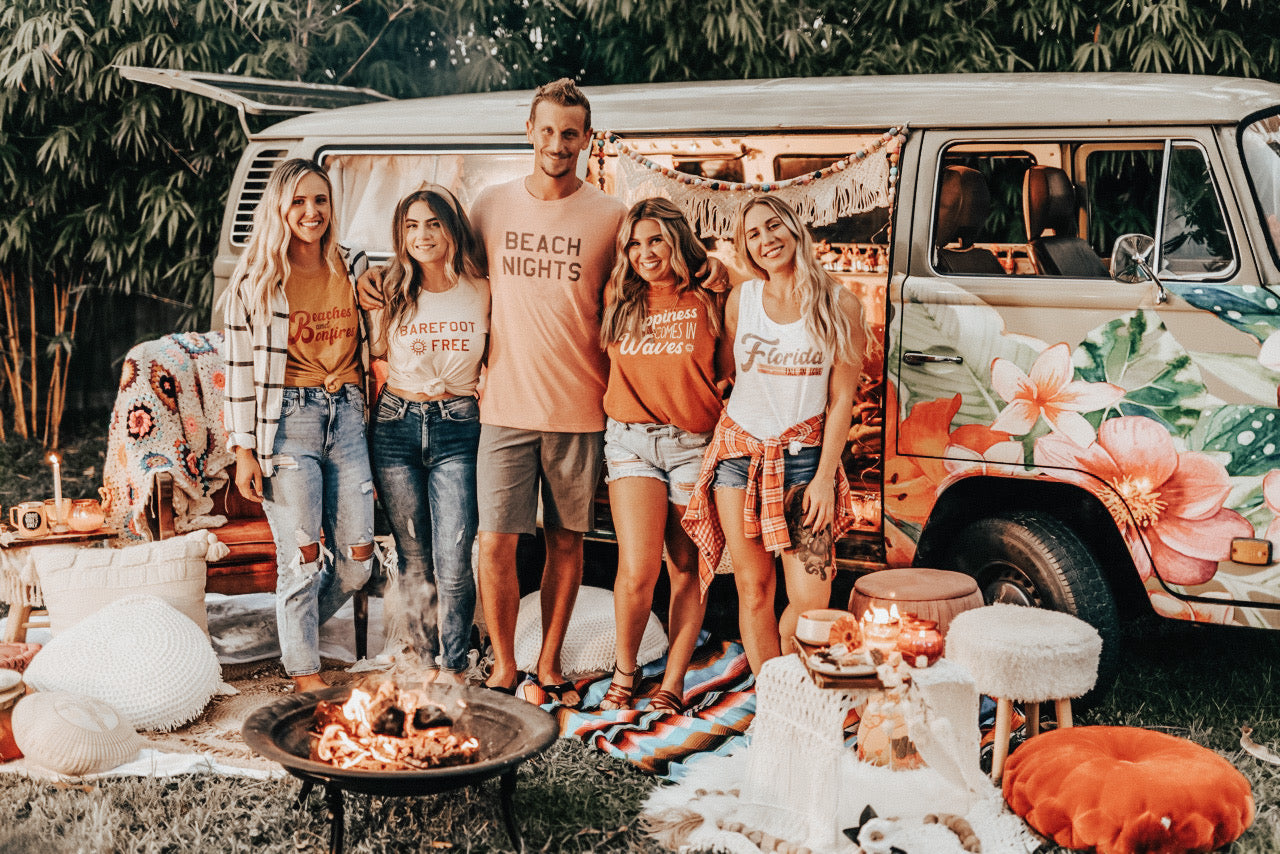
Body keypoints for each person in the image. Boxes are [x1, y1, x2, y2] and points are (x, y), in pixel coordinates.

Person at [358, 79, 628, 706]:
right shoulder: (490, 205)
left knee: (567, 542)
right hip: (499, 408)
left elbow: (644, 281)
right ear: (529, 132)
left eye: (571, 133)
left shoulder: (610, 216)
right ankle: (504, 665)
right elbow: (438, 264)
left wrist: (716, 272)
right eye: (548, 130)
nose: (558, 144)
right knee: (495, 544)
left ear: (587, 139)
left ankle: (551, 662)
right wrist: (379, 277)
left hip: (581, 408)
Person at [683, 195, 866, 674]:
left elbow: (841, 399)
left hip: (805, 465)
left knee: (811, 601)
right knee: (753, 589)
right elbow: (726, 373)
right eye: (753, 235)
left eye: (773, 226)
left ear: (794, 227)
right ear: (745, 247)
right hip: (739, 460)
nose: (766, 240)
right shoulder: (742, 301)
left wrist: (827, 476)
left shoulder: (840, 303)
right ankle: (771, 694)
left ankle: (794, 677)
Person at [224, 158, 375, 693]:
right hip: (288, 425)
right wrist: (244, 451)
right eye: (299, 202)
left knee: (359, 561)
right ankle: (304, 671)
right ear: (280, 209)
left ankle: (292, 623)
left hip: (350, 417)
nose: (311, 212)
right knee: (302, 558)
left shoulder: (353, 266)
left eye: (321, 200)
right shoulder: (256, 281)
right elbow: (238, 373)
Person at [595, 198, 726, 713]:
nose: (644, 253)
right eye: (634, 243)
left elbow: (729, 367)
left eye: (655, 240)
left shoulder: (712, 295)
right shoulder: (619, 297)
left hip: (693, 443)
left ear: (677, 241)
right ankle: (625, 673)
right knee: (637, 568)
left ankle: (672, 680)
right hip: (630, 441)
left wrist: (719, 266)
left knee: (687, 565)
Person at [366, 186, 489, 684]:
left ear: (453, 229)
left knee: (456, 557)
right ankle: (422, 658)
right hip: (395, 424)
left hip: (459, 426)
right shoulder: (388, 287)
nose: (422, 235)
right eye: (412, 225)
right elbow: (370, 352)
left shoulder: (482, 287)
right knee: (413, 556)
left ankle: (455, 665)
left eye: (434, 223)